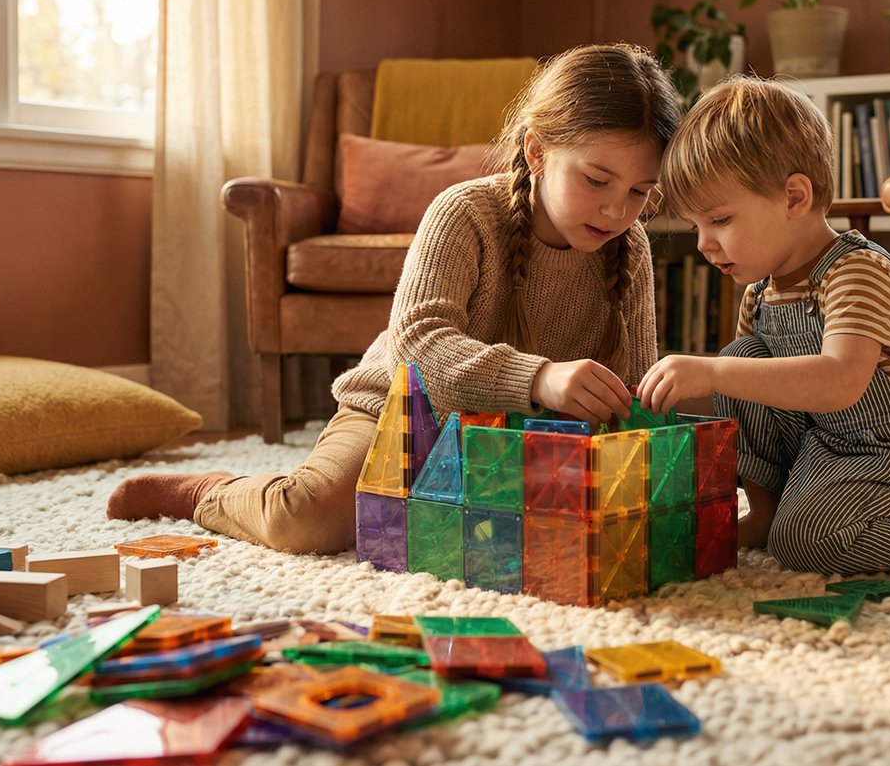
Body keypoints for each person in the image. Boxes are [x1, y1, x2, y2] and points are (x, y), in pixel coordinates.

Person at [107, 44, 681, 554]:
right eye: (597, 180)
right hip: (398, 409)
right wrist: (540, 379)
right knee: (305, 522)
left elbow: (629, 382)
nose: (617, 210)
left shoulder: (628, 248)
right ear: (536, 151)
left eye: (639, 192)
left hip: (517, 434)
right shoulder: (464, 213)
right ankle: (211, 491)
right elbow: (420, 347)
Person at [637, 75, 890, 575]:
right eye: (695, 226)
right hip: (823, 443)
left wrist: (712, 374)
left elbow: (839, 381)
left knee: (810, 542)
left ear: (794, 197)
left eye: (719, 220)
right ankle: (766, 511)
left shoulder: (857, 273)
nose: (703, 244)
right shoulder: (762, 293)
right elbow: (750, 397)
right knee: (742, 358)